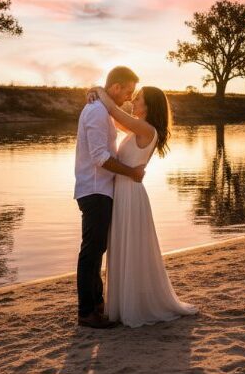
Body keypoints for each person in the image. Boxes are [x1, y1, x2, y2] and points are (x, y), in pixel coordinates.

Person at [88, 84, 198, 328]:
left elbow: (115, 113)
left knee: (131, 247)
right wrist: (95, 97)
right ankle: (124, 302)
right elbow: (113, 118)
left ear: (149, 106)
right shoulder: (139, 128)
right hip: (124, 191)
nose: (133, 102)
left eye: (138, 100)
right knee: (124, 246)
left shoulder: (146, 128)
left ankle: (134, 306)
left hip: (130, 194)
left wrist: (97, 89)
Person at [73, 66, 145, 329]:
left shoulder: (102, 110)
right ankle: (86, 312)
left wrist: (95, 91)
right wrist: (132, 172)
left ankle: (97, 305)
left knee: (97, 248)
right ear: (115, 87)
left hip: (101, 189)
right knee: (91, 251)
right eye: (127, 91)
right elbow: (100, 157)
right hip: (94, 189)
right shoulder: (95, 111)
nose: (128, 98)